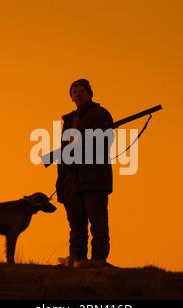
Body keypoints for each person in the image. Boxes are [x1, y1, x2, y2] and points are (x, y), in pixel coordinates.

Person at [56, 79, 114, 268]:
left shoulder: (101, 114)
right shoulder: (69, 120)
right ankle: (76, 258)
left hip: (94, 178)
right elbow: (64, 152)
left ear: (90, 93)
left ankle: (98, 259)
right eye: (74, 92)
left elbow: (105, 143)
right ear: (71, 98)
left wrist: (81, 146)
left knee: (98, 222)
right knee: (76, 224)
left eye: (81, 91)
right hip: (72, 180)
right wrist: (61, 182)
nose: (78, 94)